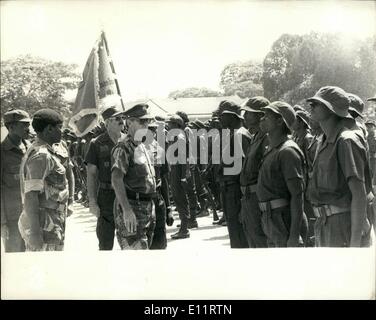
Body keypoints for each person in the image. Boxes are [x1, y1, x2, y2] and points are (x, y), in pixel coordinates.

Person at [307, 86, 370, 247]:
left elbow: (359, 194)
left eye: (317, 103)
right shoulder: (323, 141)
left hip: (342, 225)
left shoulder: (346, 140)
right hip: (324, 223)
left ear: (331, 109)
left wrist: (354, 243)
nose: (311, 106)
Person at [256, 101, 305, 247]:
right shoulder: (273, 149)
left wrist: (295, 235)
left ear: (279, 121)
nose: (262, 119)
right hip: (271, 218)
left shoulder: (288, 151)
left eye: (267, 116)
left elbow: (297, 195)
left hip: (283, 219)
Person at [18, 109, 68, 251]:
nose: (61, 131)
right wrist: (35, 232)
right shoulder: (41, 156)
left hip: (51, 220)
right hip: (44, 224)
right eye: (59, 127)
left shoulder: (45, 151)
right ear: (49, 129)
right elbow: (31, 195)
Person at [111, 103, 156, 249]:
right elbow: (116, 180)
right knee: (136, 260)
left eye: (148, 121)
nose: (146, 125)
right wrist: (127, 210)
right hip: (133, 208)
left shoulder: (143, 146)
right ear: (129, 122)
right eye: (142, 121)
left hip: (147, 208)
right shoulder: (123, 147)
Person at [85, 106, 125, 250]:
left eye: (122, 118)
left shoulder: (129, 141)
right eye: (117, 119)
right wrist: (92, 201)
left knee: (130, 240)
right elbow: (91, 174)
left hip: (127, 195)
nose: (122, 121)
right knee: (105, 241)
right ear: (107, 122)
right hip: (106, 196)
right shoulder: (97, 143)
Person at [218, 101, 251, 248]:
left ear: (232, 116)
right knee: (235, 234)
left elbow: (246, 169)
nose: (219, 118)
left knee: (239, 237)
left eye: (222, 115)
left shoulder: (240, 135)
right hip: (229, 190)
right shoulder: (233, 134)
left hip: (236, 191)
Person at [239, 96, 270, 248]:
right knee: (252, 239)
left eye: (249, 113)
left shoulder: (267, 138)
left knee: (260, 240)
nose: (244, 116)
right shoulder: (255, 136)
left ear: (260, 115)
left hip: (258, 198)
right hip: (249, 198)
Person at [1, 109, 31, 252]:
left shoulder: (31, 149)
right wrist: (2, 222)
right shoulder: (2, 152)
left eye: (28, 124)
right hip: (13, 219)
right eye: (23, 125)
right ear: (11, 127)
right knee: (15, 259)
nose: (28, 128)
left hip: (33, 214)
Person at [167, 115, 196, 239]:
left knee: (180, 200)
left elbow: (184, 158)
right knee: (179, 199)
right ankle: (184, 227)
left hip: (179, 172)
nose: (168, 126)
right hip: (176, 170)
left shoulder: (179, 137)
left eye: (170, 124)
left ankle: (184, 230)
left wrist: (184, 176)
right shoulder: (177, 137)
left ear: (176, 125)